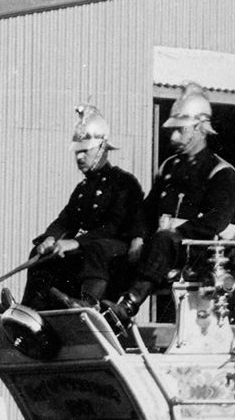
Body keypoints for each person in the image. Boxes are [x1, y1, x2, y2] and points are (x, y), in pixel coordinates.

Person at [120, 84, 235, 308]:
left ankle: (130, 304)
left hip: (195, 249)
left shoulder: (220, 171)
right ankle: (99, 306)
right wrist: (137, 236)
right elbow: (148, 210)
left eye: (181, 130)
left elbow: (216, 220)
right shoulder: (169, 167)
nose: (174, 137)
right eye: (173, 130)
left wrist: (175, 233)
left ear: (199, 129)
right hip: (163, 247)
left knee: (164, 240)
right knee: (116, 247)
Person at [23, 105, 145, 307]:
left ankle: (88, 304)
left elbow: (114, 227)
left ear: (102, 148)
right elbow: (65, 220)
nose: (79, 158)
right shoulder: (82, 188)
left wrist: (77, 242)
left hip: (114, 251)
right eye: (77, 152)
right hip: (91, 248)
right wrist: (49, 238)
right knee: (41, 253)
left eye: (85, 151)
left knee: (95, 249)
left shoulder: (123, 182)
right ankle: (31, 308)